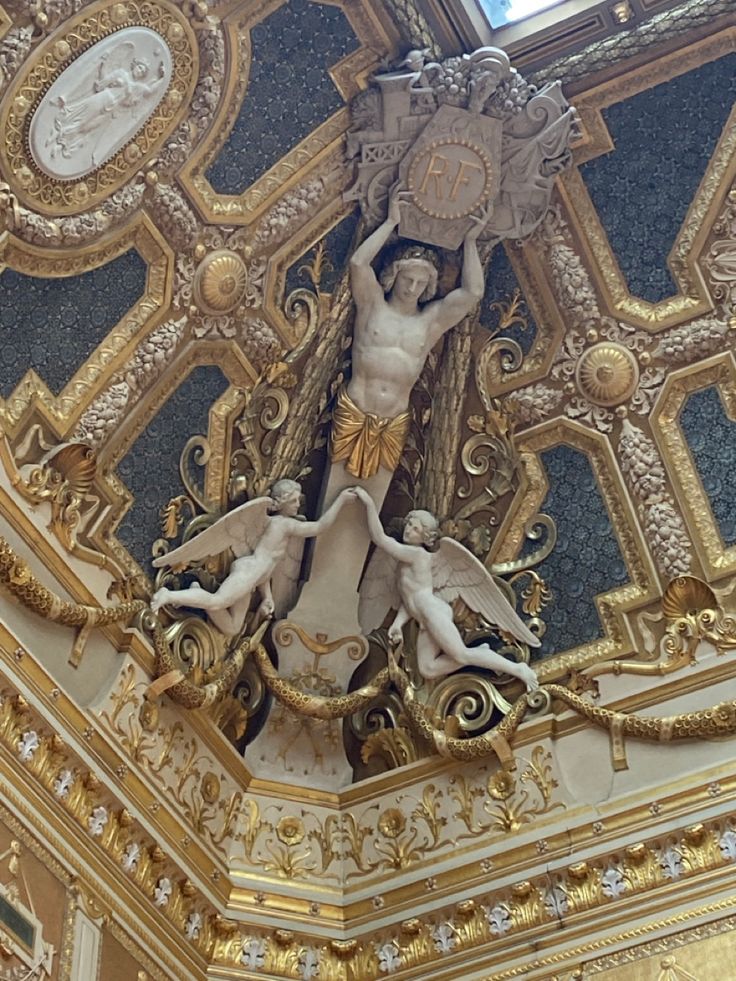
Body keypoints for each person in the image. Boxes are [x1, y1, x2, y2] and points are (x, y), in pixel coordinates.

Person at [330, 183, 486, 479]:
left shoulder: (431, 322)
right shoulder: (373, 305)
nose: (412, 288)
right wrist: (391, 222)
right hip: (355, 407)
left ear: (429, 286)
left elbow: (473, 291)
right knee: (334, 487)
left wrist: (471, 243)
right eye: (407, 279)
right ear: (393, 276)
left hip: (394, 418)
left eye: (420, 283)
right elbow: (359, 263)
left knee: (372, 499)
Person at [355, 487, 540, 690]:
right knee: (427, 669)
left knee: (461, 654)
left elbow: (380, 538)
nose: (408, 530)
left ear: (425, 537)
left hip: (433, 612)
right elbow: (409, 600)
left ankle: (517, 668)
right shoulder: (404, 563)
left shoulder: (418, 556)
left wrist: (368, 502)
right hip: (423, 617)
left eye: (416, 529)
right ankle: (480, 653)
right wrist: (398, 624)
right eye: (409, 524)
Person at [150, 481, 356, 636]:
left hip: (253, 575)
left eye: (298, 500)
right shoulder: (283, 524)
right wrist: (342, 500)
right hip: (249, 572)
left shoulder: (279, 527)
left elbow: (266, 565)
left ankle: (196, 594)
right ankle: (168, 595)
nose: (297, 505)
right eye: (293, 500)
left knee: (232, 628)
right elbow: (320, 527)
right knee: (217, 601)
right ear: (281, 503)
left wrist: (267, 596)